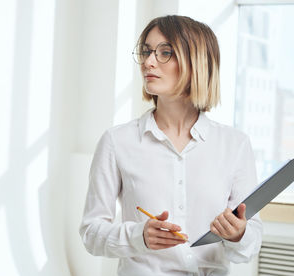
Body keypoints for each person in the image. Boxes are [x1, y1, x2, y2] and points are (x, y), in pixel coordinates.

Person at [79, 15, 262, 276]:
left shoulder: (235, 145)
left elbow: (250, 243)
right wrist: (138, 236)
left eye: (165, 52)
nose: (148, 62)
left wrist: (238, 234)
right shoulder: (117, 142)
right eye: (146, 51)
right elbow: (91, 232)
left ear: (197, 62)